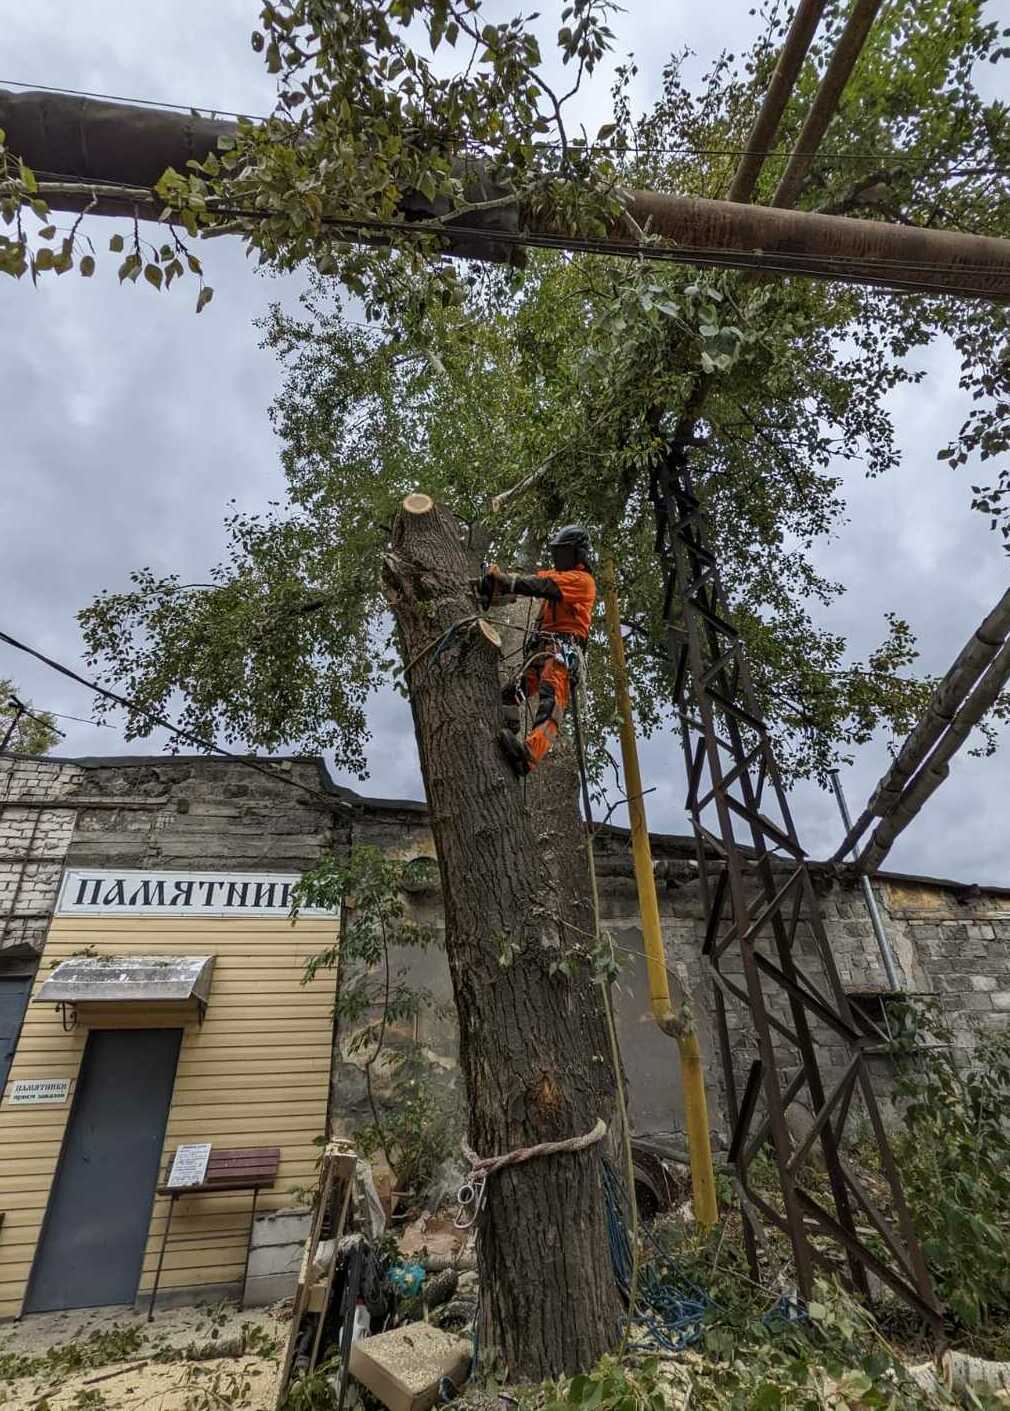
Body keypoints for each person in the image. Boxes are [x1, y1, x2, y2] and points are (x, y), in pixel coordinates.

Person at [479, 525, 596, 777]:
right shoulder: (558, 577)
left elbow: (541, 585)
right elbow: (533, 584)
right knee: (510, 693)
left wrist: (507, 581)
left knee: (550, 701)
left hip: (562, 652)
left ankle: (528, 758)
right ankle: (507, 728)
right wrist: (498, 584)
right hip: (541, 652)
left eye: (564, 553)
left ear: (578, 555)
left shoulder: (582, 581)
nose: (560, 559)